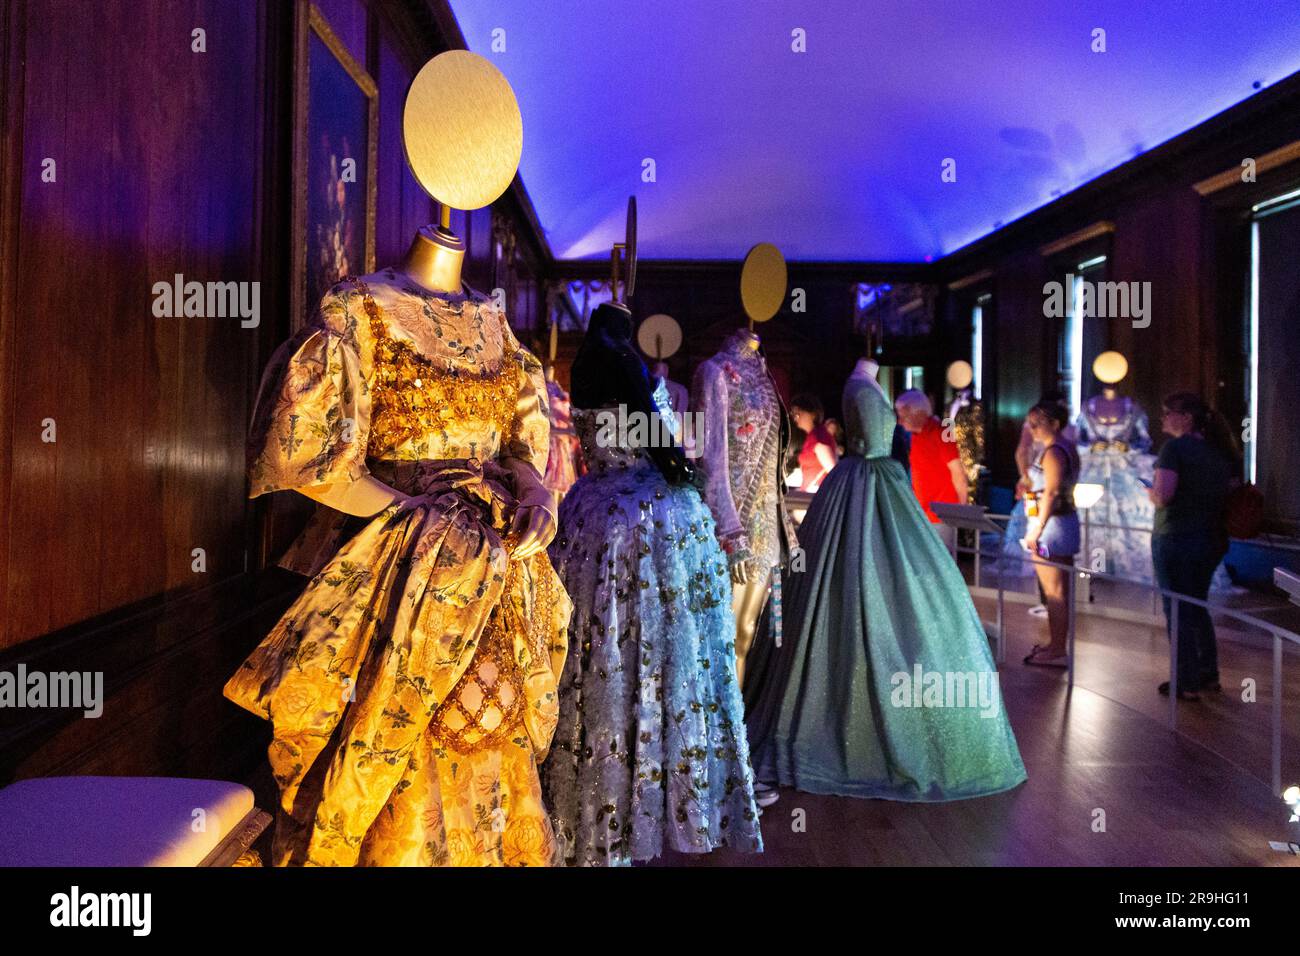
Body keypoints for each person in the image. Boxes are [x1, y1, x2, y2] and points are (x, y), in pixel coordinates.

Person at [743, 368, 1026, 802]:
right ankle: (836, 716)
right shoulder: (857, 383)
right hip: (863, 486)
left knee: (901, 585)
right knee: (844, 584)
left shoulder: (864, 383)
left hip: (874, 485)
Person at [1148, 392, 1237, 700]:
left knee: (1177, 609)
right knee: (1197, 606)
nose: (1162, 419)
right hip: (1211, 539)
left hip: (1175, 536)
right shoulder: (1219, 450)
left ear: (1185, 417)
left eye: (1167, 412)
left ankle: (1185, 681)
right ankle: (1207, 673)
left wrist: (1150, 492)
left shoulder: (1174, 448)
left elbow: (1164, 495)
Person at [1020, 401, 1082, 668]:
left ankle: (1058, 650)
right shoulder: (1062, 448)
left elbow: (1052, 492)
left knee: (1054, 593)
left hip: (1052, 528)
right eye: (1030, 423)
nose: (1032, 429)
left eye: (1037, 423)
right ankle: (1055, 644)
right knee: (1056, 592)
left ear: (1054, 424)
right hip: (1060, 524)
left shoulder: (1055, 451)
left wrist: (1037, 528)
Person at [895, 389, 967, 551]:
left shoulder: (942, 432)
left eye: (903, 416)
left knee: (941, 563)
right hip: (924, 513)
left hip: (942, 514)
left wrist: (960, 510)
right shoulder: (915, 436)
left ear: (919, 413)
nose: (899, 421)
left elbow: (958, 472)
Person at [789, 392, 839, 492]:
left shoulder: (819, 437)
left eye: (798, 414)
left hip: (817, 495)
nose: (795, 418)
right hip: (810, 494)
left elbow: (833, 471)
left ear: (813, 414)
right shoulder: (811, 436)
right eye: (793, 415)